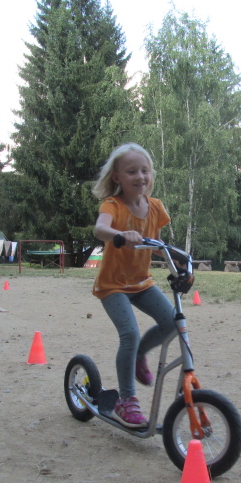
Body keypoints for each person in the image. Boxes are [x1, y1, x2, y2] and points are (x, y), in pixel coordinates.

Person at [91, 143, 176, 429]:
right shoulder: (112, 206)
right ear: (117, 177)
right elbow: (100, 229)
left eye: (144, 170)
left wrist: (176, 259)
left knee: (173, 322)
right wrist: (119, 234)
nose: (140, 176)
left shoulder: (156, 207)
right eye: (131, 172)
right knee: (129, 333)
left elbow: (156, 244)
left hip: (141, 282)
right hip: (113, 285)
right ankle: (126, 400)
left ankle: (140, 353)